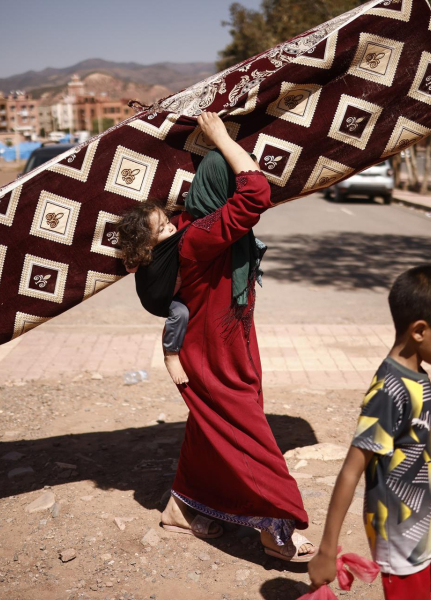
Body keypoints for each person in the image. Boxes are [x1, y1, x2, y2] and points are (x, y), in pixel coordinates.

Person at [156, 112, 315, 561]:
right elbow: (256, 193)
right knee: (245, 429)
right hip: (211, 350)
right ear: (217, 189)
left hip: (228, 340)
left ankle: (180, 508)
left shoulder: (202, 227)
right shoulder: (201, 234)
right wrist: (222, 138)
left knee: (214, 424)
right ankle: (275, 525)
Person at [308, 266, 431, 599]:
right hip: (403, 538)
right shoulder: (388, 391)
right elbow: (350, 471)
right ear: (419, 331)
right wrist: (328, 550)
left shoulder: (417, 376)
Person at [118, 205, 191, 385]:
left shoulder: (170, 241)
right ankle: (171, 354)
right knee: (181, 313)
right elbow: (131, 267)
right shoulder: (147, 254)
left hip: (174, 291)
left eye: (167, 222)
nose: (170, 227)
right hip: (157, 299)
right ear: (147, 242)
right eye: (162, 229)